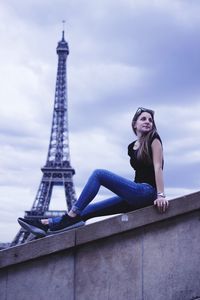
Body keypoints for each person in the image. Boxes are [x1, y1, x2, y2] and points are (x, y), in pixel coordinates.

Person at [18, 107, 169, 237]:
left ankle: (71, 214)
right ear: (134, 124)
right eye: (143, 119)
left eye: (150, 120)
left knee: (99, 174)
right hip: (135, 195)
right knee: (89, 210)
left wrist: (160, 195)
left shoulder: (154, 139)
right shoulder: (132, 147)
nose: (148, 121)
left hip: (147, 192)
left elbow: (158, 167)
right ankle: (47, 224)